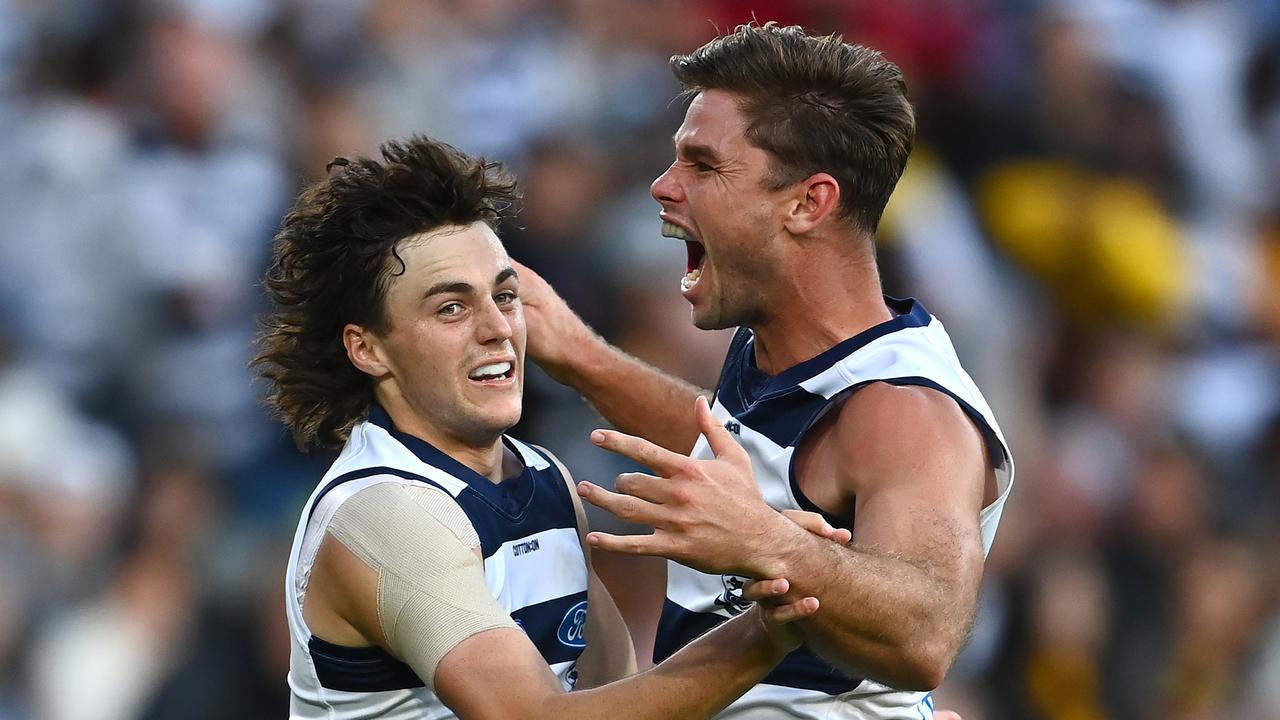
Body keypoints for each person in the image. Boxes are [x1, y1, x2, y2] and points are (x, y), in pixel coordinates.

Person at [253, 135, 850, 720]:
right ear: (368, 349)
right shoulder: (386, 512)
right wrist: (763, 636)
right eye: (451, 308)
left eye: (505, 296)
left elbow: (618, 696)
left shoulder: (543, 478)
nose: (498, 328)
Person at [515, 22, 1015, 719]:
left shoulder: (903, 406)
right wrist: (579, 354)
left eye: (703, 165)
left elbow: (928, 630)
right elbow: (750, 452)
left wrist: (767, 541)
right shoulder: (782, 351)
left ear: (808, 203)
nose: (663, 186)